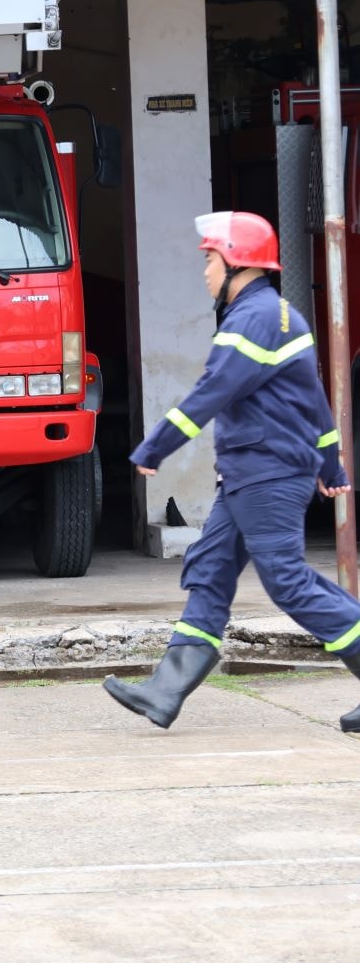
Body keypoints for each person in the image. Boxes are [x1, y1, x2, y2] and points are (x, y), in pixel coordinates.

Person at [106, 211, 360, 732]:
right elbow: (313, 397)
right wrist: (329, 461)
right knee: (211, 568)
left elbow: (212, 392)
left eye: (209, 260)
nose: (204, 271)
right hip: (251, 473)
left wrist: (155, 446)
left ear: (235, 262)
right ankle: (165, 691)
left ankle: (166, 688)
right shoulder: (280, 314)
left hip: (267, 472)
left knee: (286, 581)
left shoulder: (252, 320)